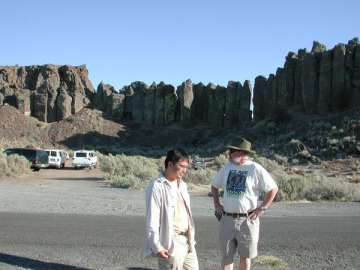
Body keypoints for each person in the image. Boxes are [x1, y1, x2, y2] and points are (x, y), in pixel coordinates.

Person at [211, 137, 278, 270]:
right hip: (227, 219)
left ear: (241, 153)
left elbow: (273, 189)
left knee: (245, 257)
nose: (229, 154)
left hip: (247, 220)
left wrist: (262, 208)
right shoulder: (226, 168)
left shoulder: (255, 168)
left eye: (232, 151)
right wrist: (217, 204)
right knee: (226, 256)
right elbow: (214, 186)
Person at [145, 148, 199, 270]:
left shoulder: (182, 185)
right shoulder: (156, 187)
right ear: (170, 164)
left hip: (187, 241)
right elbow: (152, 219)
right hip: (171, 242)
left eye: (186, 167)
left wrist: (191, 238)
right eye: (182, 166)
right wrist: (156, 246)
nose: (185, 171)